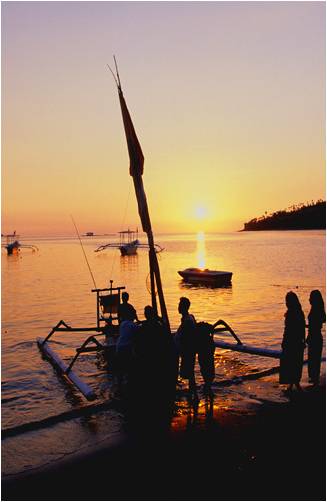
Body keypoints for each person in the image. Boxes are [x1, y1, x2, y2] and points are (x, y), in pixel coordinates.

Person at [279, 291, 306, 392]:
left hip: (290, 340)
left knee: (290, 362)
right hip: (298, 340)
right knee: (297, 362)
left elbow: (287, 329)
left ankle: (292, 383)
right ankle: (295, 383)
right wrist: (303, 339)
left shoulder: (291, 312)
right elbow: (302, 328)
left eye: (287, 301)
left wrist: (284, 341)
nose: (286, 302)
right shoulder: (299, 312)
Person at [175, 297, 197, 397]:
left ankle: (194, 394)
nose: (178, 307)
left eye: (179, 305)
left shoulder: (187, 320)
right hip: (188, 349)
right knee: (190, 373)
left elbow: (185, 336)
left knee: (190, 373)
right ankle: (192, 393)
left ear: (183, 307)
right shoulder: (189, 317)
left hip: (188, 350)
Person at [115, 309, 139, 392]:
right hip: (126, 348)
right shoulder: (133, 326)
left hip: (119, 347)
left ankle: (119, 385)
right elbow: (139, 333)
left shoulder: (123, 324)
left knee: (120, 369)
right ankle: (129, 386)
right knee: (129, 367)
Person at [306, 290, 325, 386]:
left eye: (310, 297)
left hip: (314, 336)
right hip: (317, 336)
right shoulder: (318, 309)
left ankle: (314, 379)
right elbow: (316, 325)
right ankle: (314, 378)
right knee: (315, 358)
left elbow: (314, 326)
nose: (309, 299)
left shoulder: (315, 310)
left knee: (313, 358)